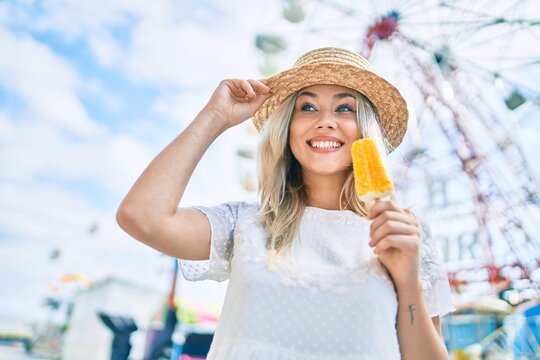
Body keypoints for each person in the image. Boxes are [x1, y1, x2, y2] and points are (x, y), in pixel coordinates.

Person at [117, 47, 455, 359]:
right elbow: (141, 216)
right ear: (287, 128)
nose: (325, 120)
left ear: (366, 130)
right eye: (307, 107)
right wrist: (215, 116)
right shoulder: (245, 224)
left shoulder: (405, 235)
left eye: (345, 108)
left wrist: (408, 282)